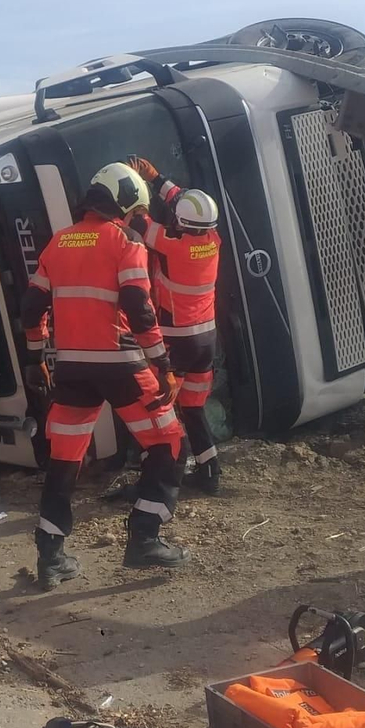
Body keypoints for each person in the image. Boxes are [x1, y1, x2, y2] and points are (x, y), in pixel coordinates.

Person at [20, 162, 189, 591]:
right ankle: (145, 539)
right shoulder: (125, 242)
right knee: (168, 444)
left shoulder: (58, 242)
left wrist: (36, 355)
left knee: (65, 459)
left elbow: (31, 305)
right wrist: (163, 366)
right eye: (135, 211)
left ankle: (51, 557)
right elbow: (138, 305)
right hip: (122, 365)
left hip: (72, 368)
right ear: (126, 202)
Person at [130, 156, 223, 493]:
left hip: (177, 340)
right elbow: (185, 203)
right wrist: (157, 178)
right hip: (206, 340)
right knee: (194, 408)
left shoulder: (172, 245)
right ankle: (209, 470)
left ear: (181, 224)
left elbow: (137, 221)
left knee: (159, 407)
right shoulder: (212, 241)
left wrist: (137, 183)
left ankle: (159, 475)